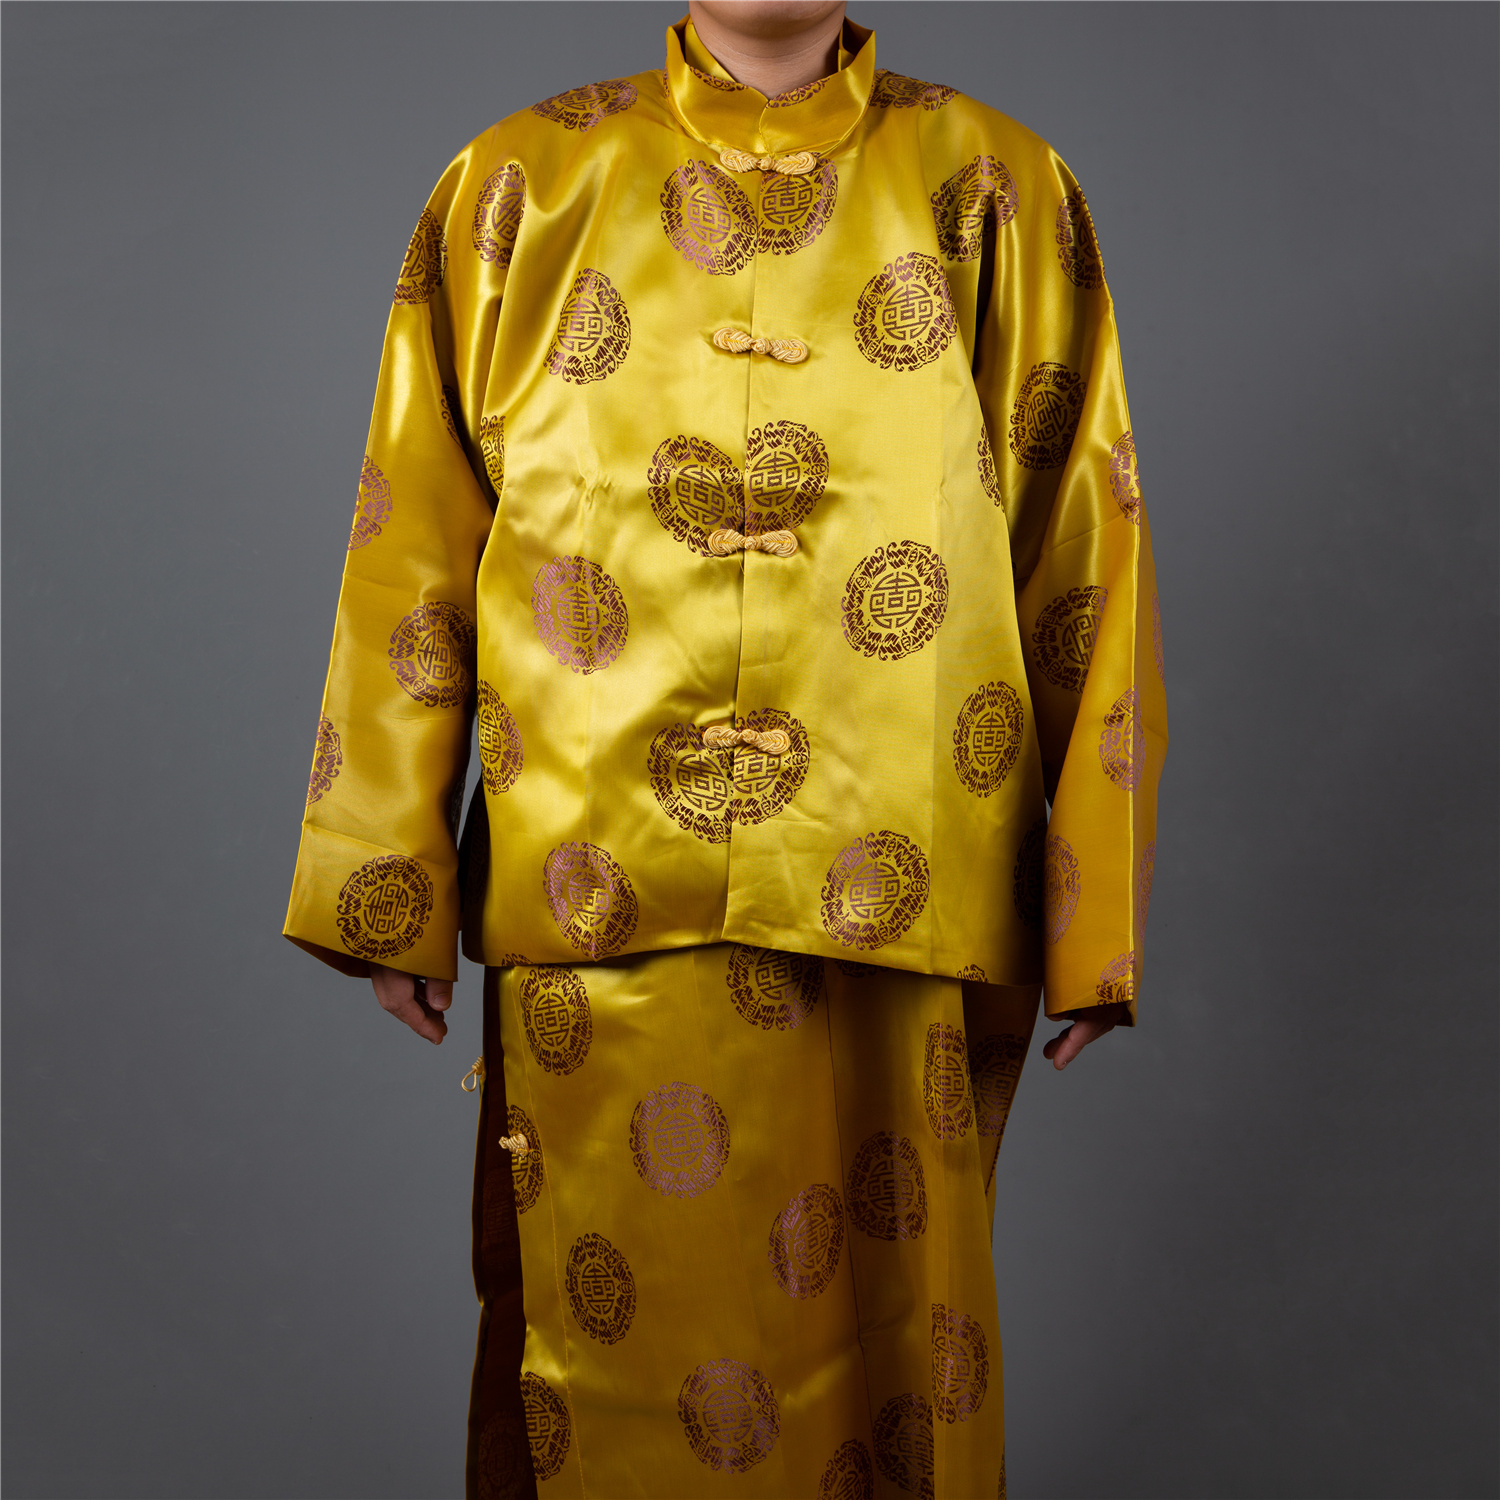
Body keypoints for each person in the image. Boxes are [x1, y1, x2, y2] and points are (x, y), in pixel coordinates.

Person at [284, 2, 1166, 1493]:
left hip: (900, 885)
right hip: (597, 889)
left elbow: (1084, 552)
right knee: (605, 1369)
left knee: (899, 1358)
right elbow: (413, 537)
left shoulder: (998, 189)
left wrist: (1096, 914)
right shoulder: (521, 184)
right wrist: (394, 879)